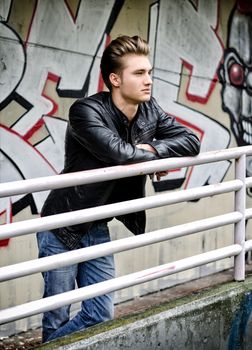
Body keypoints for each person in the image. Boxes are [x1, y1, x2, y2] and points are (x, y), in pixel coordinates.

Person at [37, 35, 200, 342]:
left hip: (97, 226)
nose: (149, 80)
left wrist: (150, 150)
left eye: (149, 72)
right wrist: (153, 154)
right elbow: (119, 154)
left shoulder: (150, 109)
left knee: (100, 314)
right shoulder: (85, 111)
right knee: (57, 317)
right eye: (139, 73)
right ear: (115, 79)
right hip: (62, 226)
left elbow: (191, 141)